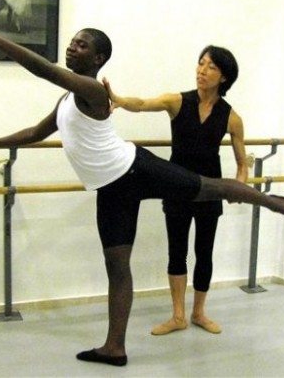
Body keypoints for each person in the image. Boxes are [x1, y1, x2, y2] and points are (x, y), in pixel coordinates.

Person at [0, 11, 284, 367]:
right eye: (71, 43)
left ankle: (275, 203)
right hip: (111, 188)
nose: (72, 49)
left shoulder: (90, 90)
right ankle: (114, 348)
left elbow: (43, 69)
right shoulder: (67, 101)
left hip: (135, 168)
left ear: (98, 58)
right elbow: (36, 133)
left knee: (211, 187)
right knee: (116, 266)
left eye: (81, 46)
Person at [103, 45, 245, 336]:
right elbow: (142, 104)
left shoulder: (231, 118)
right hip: (177, 186)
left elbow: (243, 163)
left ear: (224, 77)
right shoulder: (177, 102)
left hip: (210, 191)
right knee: (176, 251)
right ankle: (178, 315)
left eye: (211, 67)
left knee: (204, 253)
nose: (202, 71)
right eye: (200, 63)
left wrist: (240, 186)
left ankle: (199, 313)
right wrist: (117, 99)